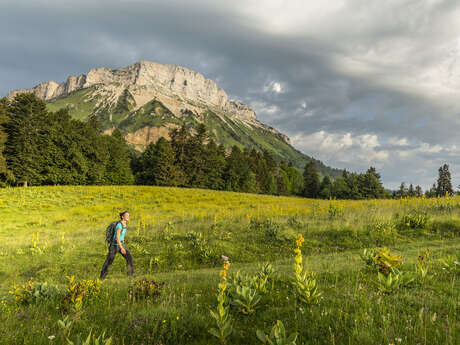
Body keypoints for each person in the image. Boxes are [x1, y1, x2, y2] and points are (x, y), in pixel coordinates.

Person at [100, 211, 134, 280]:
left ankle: (130, 275)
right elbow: (117, 238)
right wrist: (121, 248)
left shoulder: (126, 224)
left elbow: (122, 235)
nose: (128, 217)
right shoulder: (119, 225)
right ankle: (101, 278)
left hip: (121, 244)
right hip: (114, 246)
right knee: (109, 261)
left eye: (129, 215)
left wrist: (123, 243)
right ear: (122, 217)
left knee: (129, 258)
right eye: (126, 216)